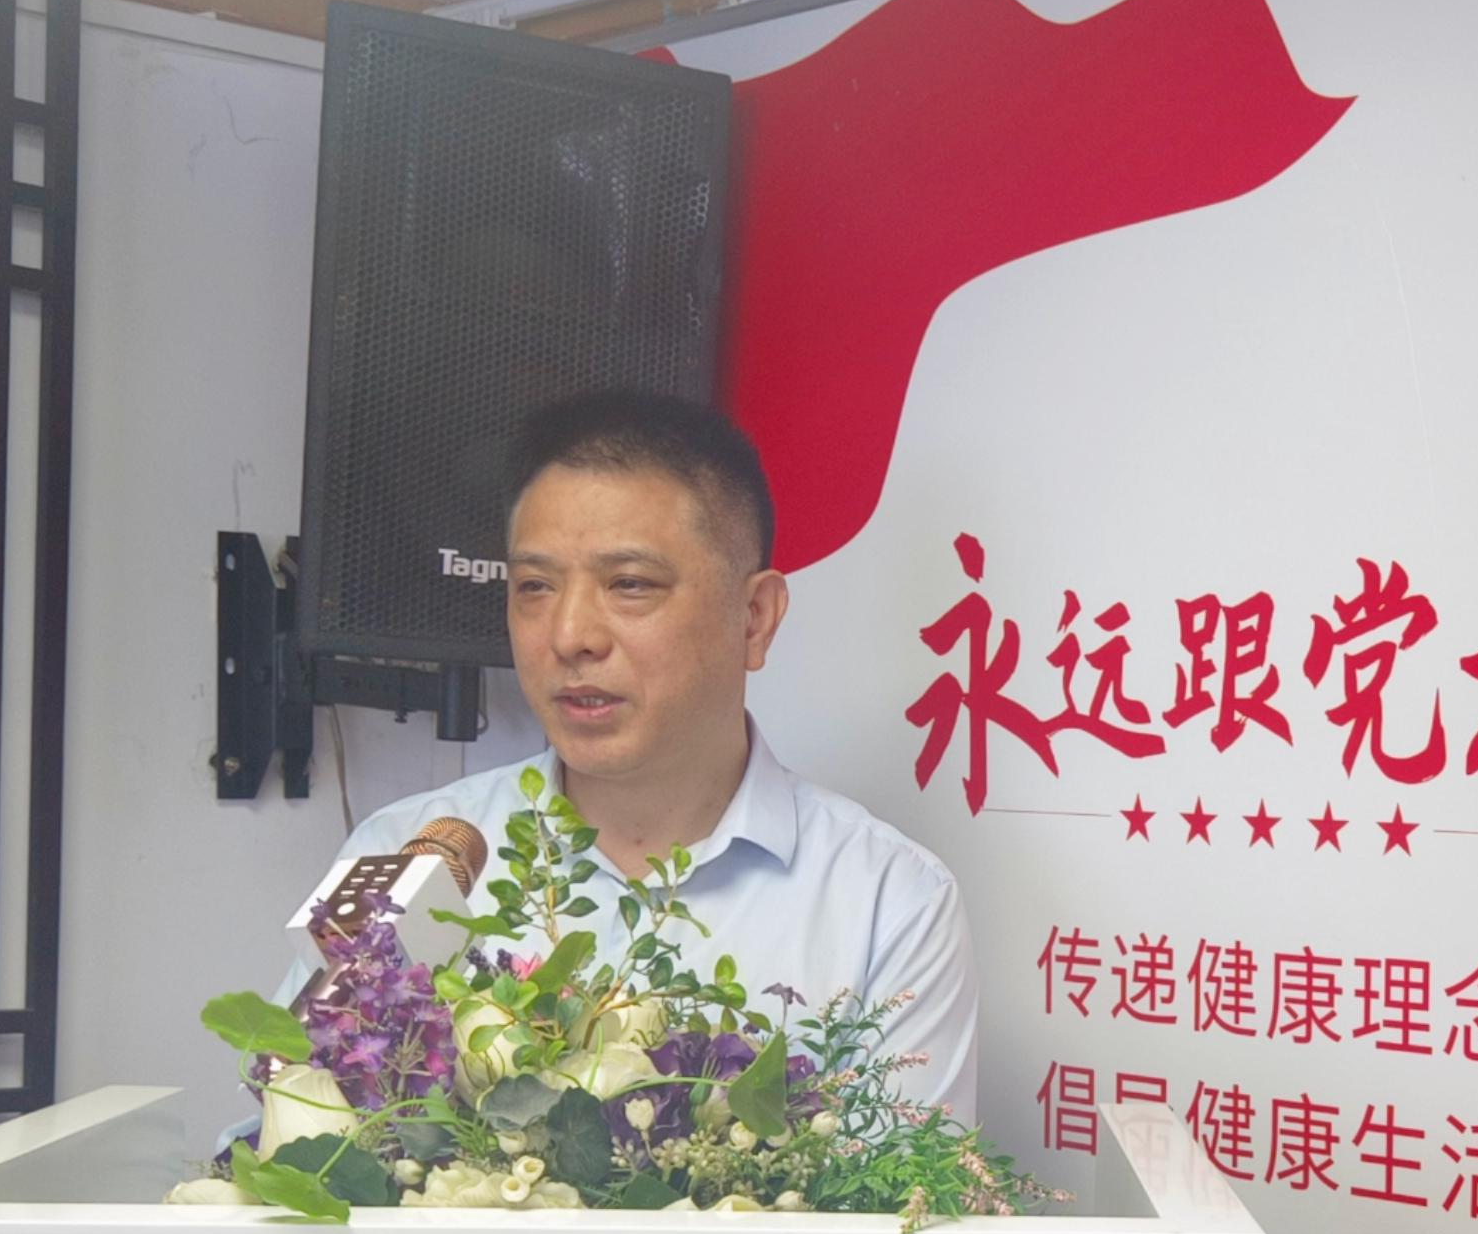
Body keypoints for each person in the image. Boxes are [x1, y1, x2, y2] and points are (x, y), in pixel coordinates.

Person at [275, 391, 976, 1121]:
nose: (570, 635)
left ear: (754, 618)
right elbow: (278, 1143)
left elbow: (905, 1184)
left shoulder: (886, 903)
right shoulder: (407, 850)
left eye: (629, 585)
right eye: (535, 587)